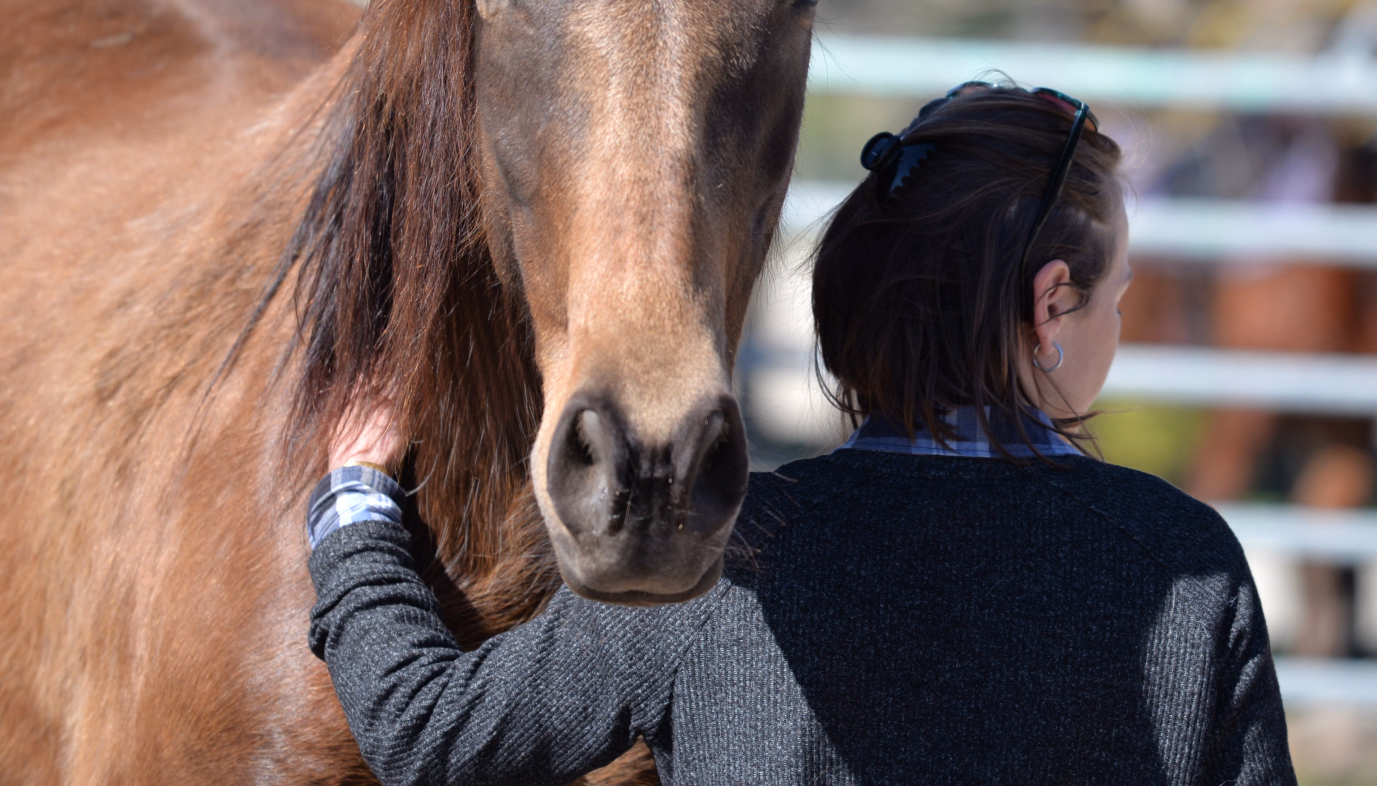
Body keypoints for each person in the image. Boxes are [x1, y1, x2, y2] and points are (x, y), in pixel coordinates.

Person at [306, 81, 1298, 785]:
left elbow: (427, 733)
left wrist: (355, 501)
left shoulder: (726, 555)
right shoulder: (1179, 564)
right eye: (1113, 300)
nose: (1115, 332)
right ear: (1050, 303)